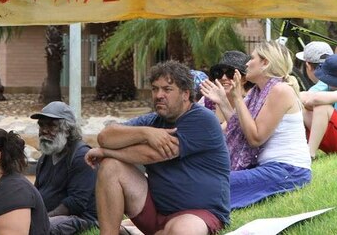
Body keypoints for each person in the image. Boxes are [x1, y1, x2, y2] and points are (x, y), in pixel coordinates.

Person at [86, 60, 230, 235]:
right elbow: (105, 136)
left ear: (185, 94)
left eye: (167, 89)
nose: (159, 95)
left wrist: (105, 152)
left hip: (199, 213)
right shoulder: (152, 121)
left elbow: (153, 155)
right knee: (110, 166)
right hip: (156, 212)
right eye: (155, 89)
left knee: (180, 231)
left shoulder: (203, 120)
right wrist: (146, 133)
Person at [199, 41, 311, 209]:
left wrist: (237, 98)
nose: (247, 63)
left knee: (212, 186)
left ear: (265, 63)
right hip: (270, 167)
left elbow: (255, 138)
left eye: (252, 58)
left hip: (288, 171)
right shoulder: (257, 92)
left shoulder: (280, 90)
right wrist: (223, 102)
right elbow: (241, 126)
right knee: (206, 179)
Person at [31, 102, 97, 235]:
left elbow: (76, 203)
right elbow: (36, 193)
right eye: (42, 125)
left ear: (67, 129)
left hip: (79, 219)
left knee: (37, 229)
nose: (44, 130)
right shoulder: (46, 156)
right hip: (49, 216)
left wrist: (44, 218)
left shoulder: (81, 156)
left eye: (51, 125)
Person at [201, 50, 251, 123]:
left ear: (244, 79)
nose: (224, 78)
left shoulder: (251, 102)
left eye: (230, 73)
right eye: (219, 73)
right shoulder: (208, 100)